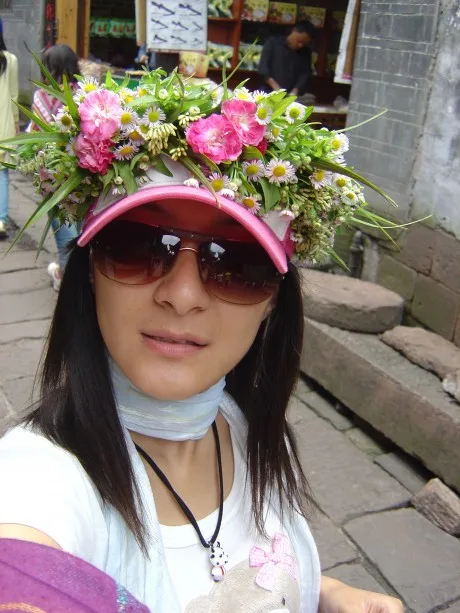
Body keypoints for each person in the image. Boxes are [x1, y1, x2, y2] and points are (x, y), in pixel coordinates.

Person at [0, 67, 403, 613]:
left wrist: (326, 594)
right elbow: (22, 570)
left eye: (237, 263)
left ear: (273, 302)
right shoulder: (42, 477)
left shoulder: (247, 431)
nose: (183, 295)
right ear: (89, 269)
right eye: (139, 247)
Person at [28, 43, 79, 290]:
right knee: (83, 226)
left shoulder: (41, 97)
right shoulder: (84, 94)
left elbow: (35, 134)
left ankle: (67, 280)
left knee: (64, 228)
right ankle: (72, 273)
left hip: (52, 176)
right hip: (83, 171)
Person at [259, 21, 316, 97]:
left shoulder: (305, 52)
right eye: (299, 41)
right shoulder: (272, 43)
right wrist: (277, 89)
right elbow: (263, 68)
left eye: (304, 44)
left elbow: (305, 73)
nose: (300, 45)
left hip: (291, 94)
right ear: (294, 31)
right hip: (268, 91)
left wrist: (295, 90)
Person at [0, 18, 19, 240]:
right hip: (3, 126)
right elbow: (14, 95)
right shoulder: (10, 60)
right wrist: (16, 122)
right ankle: (1, 220)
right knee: (2, 174)